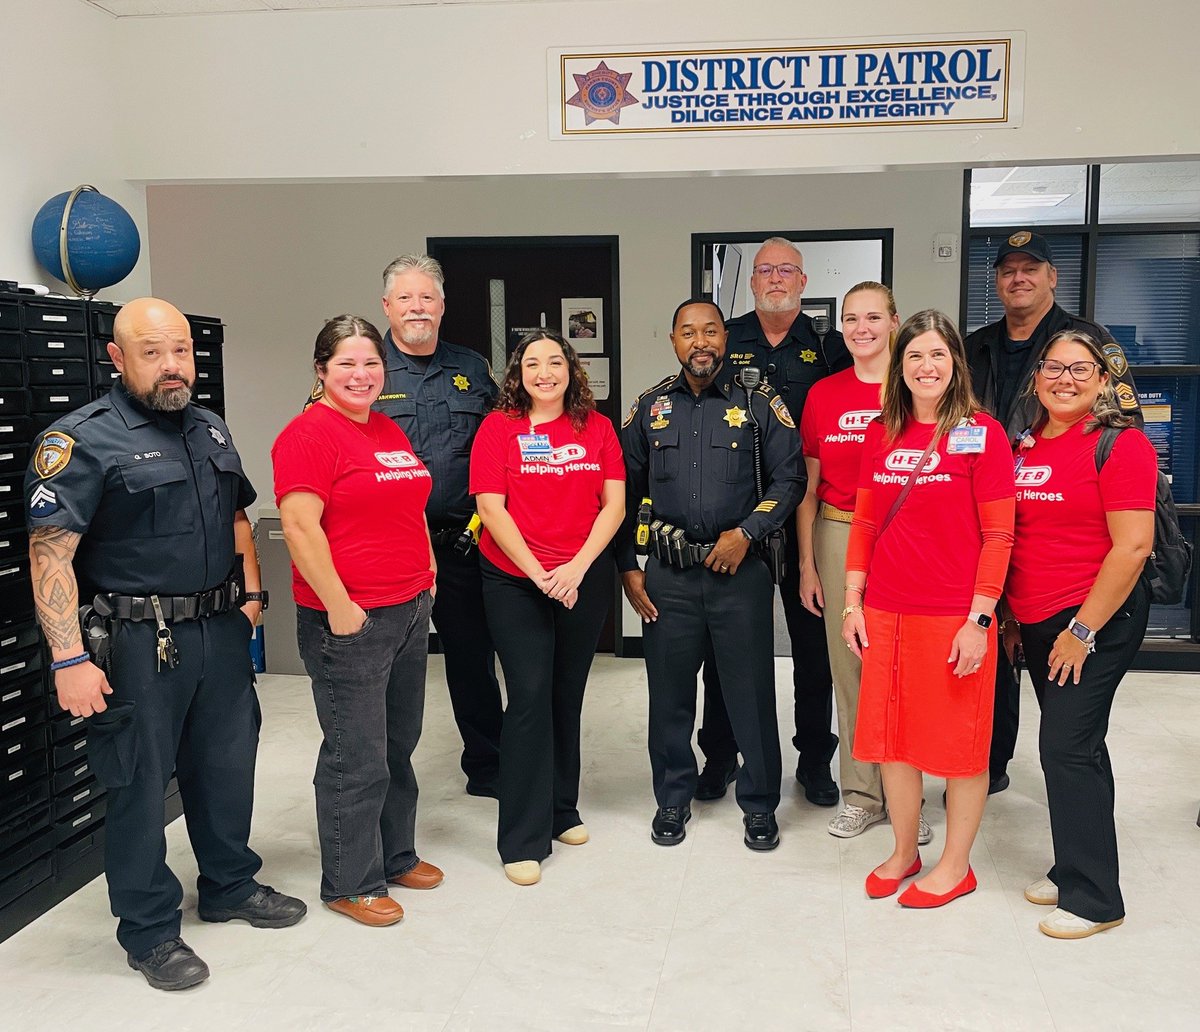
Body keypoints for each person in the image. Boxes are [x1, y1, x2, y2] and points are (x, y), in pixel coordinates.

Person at [25, 297, 305, 992]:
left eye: (181, 350)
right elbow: (50, 554)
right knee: (139, 786)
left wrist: (251, 598)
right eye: (152, 352)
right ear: (117, 358)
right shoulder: (81, 439)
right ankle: (149, 929)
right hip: (135, 641)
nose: (172, 364)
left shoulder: (209, 427)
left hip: (217, 631)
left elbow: (236, 517)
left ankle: (229, 885)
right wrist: (68, 658)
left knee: (227, 767)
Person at [273, 315, 442, 927]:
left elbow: (410, 504)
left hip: (408, 608)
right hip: (351, 620)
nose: (361, 374)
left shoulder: (386, 428)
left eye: (371, 363)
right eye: (346, 363)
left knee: (398, 744)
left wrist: (427, 570)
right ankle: (352, 881)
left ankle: (396, 855)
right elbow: (299, 527)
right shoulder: (307, 435)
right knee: (356, 754)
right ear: (321, 370)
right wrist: (341, 607)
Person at [842, 309, 1014, 908]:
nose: (926, 366)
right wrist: (853, 603)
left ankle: (956, 867)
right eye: (914, 355)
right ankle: (903, 851)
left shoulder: (982, 433)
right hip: (886, 612)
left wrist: (979, 620)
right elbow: (865, 523)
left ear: (956, 364)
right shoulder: (882, 432)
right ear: (900, 366)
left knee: (960, 747)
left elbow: (999, 536)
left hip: (952, 617)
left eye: (938, 354)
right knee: (893, 741)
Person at [620, 299, 804, 850]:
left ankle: (760, 804)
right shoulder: (650, 407)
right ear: (673, 341)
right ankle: (672, 798)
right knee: (669, 697)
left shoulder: (759, 402)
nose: (700, 342)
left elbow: (790, 478)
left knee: (751, 695)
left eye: (710, 331)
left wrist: (747, 531)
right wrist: (628, 566)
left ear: (726, 338)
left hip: (738, 574)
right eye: (688, 332)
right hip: (669, 578)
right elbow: (620, 493)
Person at [965, 230, 1142, 795]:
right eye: (1008, 269)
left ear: (1052, 276)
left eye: (1030, 268)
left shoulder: (1088, 341)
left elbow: (1121, 426)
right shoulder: (975, 346)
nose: (1018, 278)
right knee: (993, 647)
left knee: (1068, 732)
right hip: (994, 520)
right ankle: (989, 762)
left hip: (1069, 540)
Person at [1003, 330, 1155, 939]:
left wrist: (1082, 630)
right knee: (1078, 746)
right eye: (1053, 367)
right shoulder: (1026, 443)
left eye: (1080, 369)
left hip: (1095, 620)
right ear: (1037, 376)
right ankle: (1073, 865)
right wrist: (1015, 618)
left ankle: (1095, 899)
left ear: (1103, 380)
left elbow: (1133, 546)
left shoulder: (1121, 444)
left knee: (1066, 748)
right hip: (1039, 620)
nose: (1064, 379)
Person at [697, 237, 850, 807]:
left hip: (807, 521)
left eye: (787, 270)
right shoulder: (726, 338)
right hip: (738, 523)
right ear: (752, 281)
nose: (776, 278)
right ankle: (720, 756)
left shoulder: (829, 347)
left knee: (813, 651)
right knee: (726, 652)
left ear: (803, 282)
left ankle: (814, 760)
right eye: (766, 270)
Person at [470, 330, 624, 885]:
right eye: (532, 363)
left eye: (554, 362)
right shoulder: (498, 428)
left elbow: (614, 505)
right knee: (529, 698)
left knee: (566, 693)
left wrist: (576, 569)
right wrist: (540, 575)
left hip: (581, 577)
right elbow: (491, 508)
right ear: (518, 374)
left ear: (570, 369)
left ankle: (562, 810)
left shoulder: (597, 428)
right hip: (516, 579)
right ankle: (521, 837)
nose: (544, 373)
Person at [797, 282, 929, 845]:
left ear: (895, 322)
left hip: (906, 537)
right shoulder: (823, 394)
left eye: (873, 317)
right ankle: (861, 795)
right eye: (851, 319)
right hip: (838, 530)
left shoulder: (917, 385)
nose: (861, 329)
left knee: (904, 669)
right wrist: (807, 564)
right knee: (849, 666)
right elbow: (807, 489)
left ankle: (906, 799)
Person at [374, 254, 504, 798]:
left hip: (459, 545)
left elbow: (503, 441)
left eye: (426, 297)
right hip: (388, 551)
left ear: (443, 306)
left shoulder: (471, 368)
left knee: (473, 661)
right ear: (387, 306)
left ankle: (489, 767)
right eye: (405, 298)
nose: (417, 308)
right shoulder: (365, 367)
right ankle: (378, 778)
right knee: (380, 668)